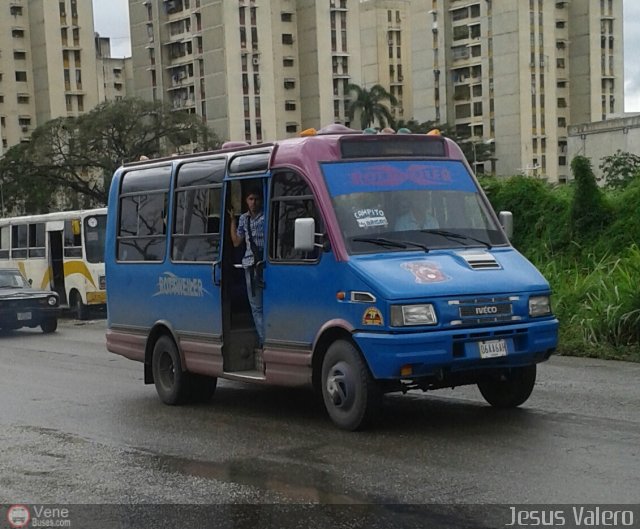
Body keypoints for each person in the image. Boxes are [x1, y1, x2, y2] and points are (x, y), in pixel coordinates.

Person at [229, 187, 265, 346]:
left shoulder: (267, 216)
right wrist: (232, 221)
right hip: (250, 266)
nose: (254, 202)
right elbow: (237, 241)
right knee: (256, 307)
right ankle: (264, 341)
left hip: (267, 265)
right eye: (251, 199)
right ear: (246, 201)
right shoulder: (244, 219)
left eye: (256, 199)